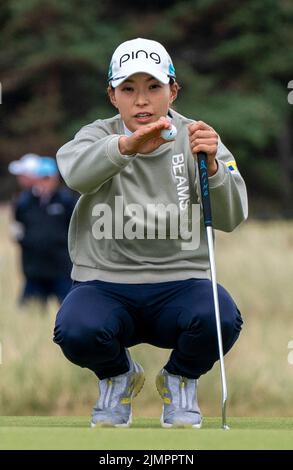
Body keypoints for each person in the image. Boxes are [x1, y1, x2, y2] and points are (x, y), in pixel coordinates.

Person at [53, 38, 248, 428]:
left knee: (220, 316)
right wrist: (126, 147)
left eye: (153, 88)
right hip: (104, 282)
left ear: (172, 91)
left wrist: (211, 168)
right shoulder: (96, 135)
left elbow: (232, 216)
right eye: (129, 89)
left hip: (181, 281)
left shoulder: (198, 138)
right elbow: (75, 173)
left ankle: (179, 379)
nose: (141, 101)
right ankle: (118, 374)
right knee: (75, 329)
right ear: (112, 96)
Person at [10, 156, 77, 305]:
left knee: (68, 308)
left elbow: (75, 229)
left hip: (61, 268)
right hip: (34, 268)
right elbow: (17, 228)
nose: (45, 182)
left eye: (49, 178)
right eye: (42, 177)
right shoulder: (24, 202)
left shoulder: (66, 201)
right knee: (28, 311)